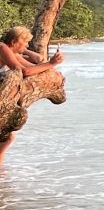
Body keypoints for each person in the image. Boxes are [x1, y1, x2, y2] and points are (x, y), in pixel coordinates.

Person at [0, 26, 65, 164]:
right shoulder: (2, 47)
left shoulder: (12, 52)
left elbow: (34, 67)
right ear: (14, 41)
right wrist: (51, 63)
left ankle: (2, 174)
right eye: (25, 42)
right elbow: (25, 72)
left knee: (7, 137)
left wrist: (46, 64)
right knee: (7, 137)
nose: (27, 45)